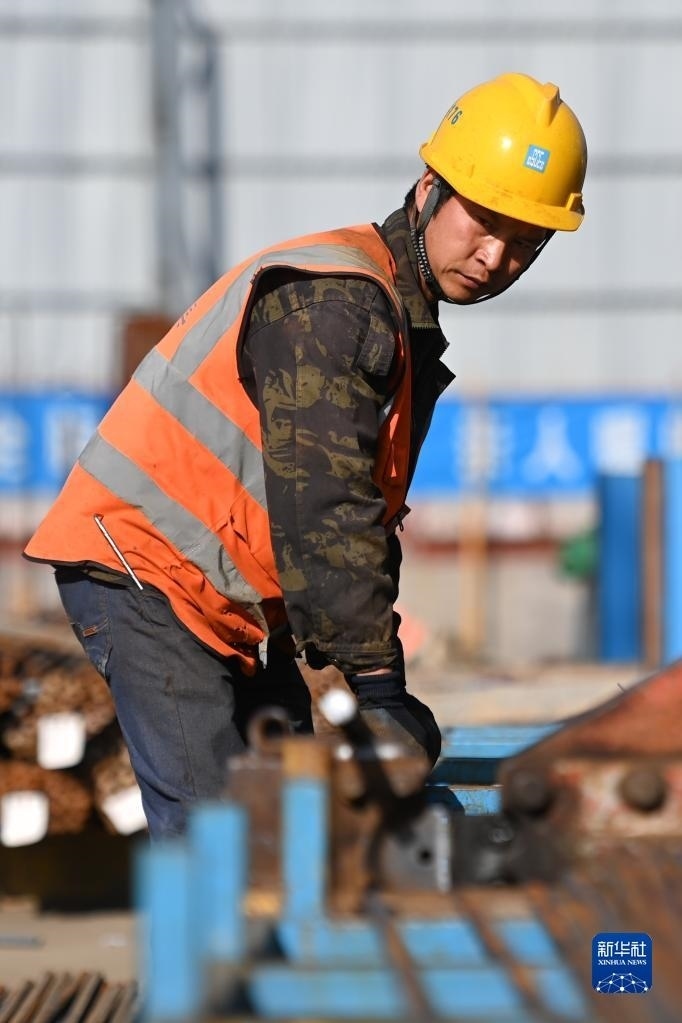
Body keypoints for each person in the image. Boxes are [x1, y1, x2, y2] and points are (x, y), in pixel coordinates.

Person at [24, 72, 587, 838]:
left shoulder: (394, 318)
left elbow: (352, 520)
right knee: (219, 837)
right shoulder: (335, 305)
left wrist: (364, 684)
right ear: (429, 188)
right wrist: (380, 685)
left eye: (526, 243)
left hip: (225, 599)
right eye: (485, 221)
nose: (495, 256)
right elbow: (327, 508)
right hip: (145, 570)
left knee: (296, 823)